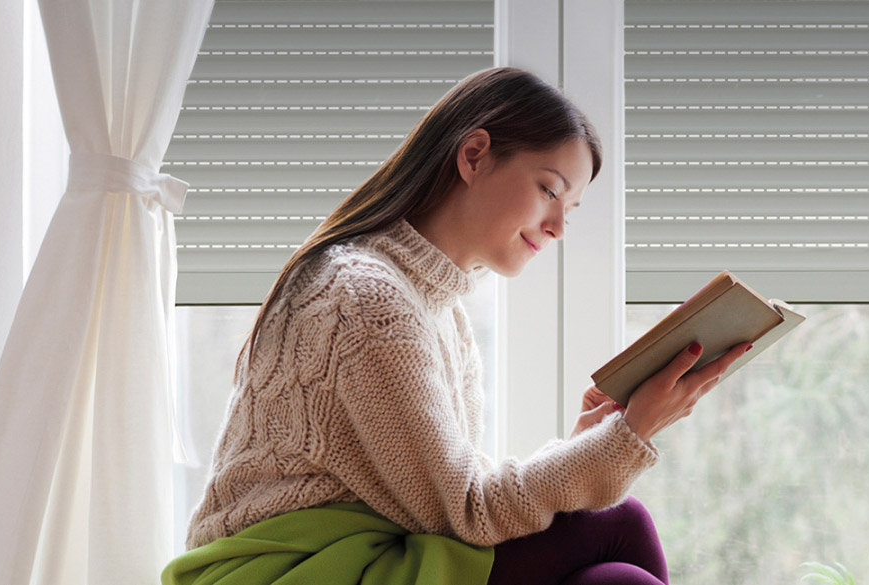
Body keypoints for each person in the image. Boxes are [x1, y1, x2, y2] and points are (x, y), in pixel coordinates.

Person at [161, 67, 753, 585]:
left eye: (568, 211)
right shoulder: (366, 296)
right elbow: (467, 513)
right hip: (286, 570)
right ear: (473, 155)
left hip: (367, 556)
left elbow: (446, 500)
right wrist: (628, 435)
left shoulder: (439, 309)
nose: (556, 227)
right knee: (623, 524)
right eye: (548, 189)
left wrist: (585, 445)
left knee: (614, 580)